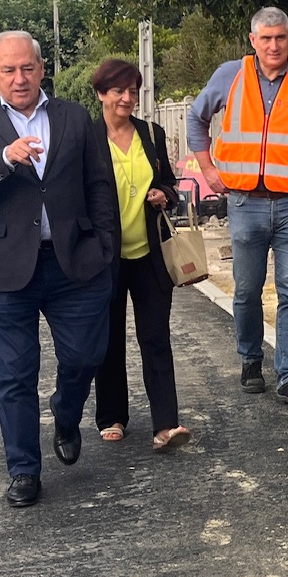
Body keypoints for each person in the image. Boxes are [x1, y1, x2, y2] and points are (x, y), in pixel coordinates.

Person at [0, 30, 117, 508]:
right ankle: (23, 469)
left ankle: (66, 414)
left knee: (86, 357)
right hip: (7, 272)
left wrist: (104, 245)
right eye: (8, 70)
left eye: (27, 68)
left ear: (42, 69)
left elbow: (99, 184)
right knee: (15, 374)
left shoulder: (74, 117)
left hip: (76, 265)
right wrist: (4, 157)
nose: (19, 78)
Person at [187, 7, 288, 410]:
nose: (274, 45)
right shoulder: (230, 75)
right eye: (266, 38)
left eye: (280, 38)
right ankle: (251, 360)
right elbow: (196, 118)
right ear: (253, 40)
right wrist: (207, 168)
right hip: (245, 203)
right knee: (247, 291)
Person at [89, 59, 191, 453]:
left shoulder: (152, 132)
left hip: (150, 253)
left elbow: (169, 180)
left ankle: (166, 423)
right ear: (101, 93)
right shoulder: (87, 136)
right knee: (109, 338)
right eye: (118, 91)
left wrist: (164, 192)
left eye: (133, 91)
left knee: (155, 337)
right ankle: (112, 415)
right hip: (105, 257)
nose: (127, 98)